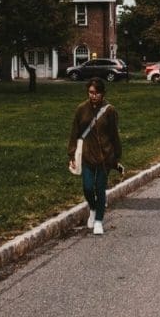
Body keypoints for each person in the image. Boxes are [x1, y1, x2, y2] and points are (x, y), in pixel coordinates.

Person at [67, 78, 122, 236]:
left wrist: (116, 156)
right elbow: (74, 133)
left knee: (100, 188)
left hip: (105, 156)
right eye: (91, 92)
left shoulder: (110, 110)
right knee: (88, 187)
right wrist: (71, 153)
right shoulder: (81, 109)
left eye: (97, 93)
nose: (94, 96)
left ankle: (98, 220)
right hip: (86, 155)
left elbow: (114, 135)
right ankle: (92, 207)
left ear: (103, 93)